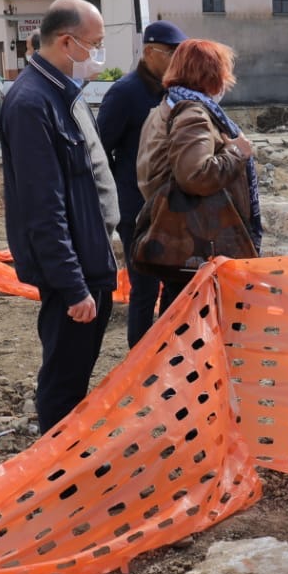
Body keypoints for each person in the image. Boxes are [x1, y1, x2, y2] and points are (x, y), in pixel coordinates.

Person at [0, 0, 119, 432]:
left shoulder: (63, 94)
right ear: (68, 43)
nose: (99, 57)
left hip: (88, 257)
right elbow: (42, 208)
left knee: (76, 371)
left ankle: (70, 460)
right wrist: (73, 287)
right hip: (71, 272)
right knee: (63, 380)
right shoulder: (33, 103)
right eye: (96, 44)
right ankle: (61, 477)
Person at [136, 38, 262, 309]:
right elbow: (195, 175)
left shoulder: (167, 106)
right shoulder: (193, 113)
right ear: (212, 76)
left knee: (178, 319)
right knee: (198, 324)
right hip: (198, 243)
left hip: (180, 238)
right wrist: (237, 153)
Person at [97, 20, 187, 346]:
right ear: (149, 52)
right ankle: (139, 357)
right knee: (144, 286)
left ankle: (162, 351)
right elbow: (98, 150)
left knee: (174, 282)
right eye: (172, 53)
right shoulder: (124, 93)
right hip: (136, 209)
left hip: (169, 206)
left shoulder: (173, 92)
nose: (178, 59)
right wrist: (118, 195)